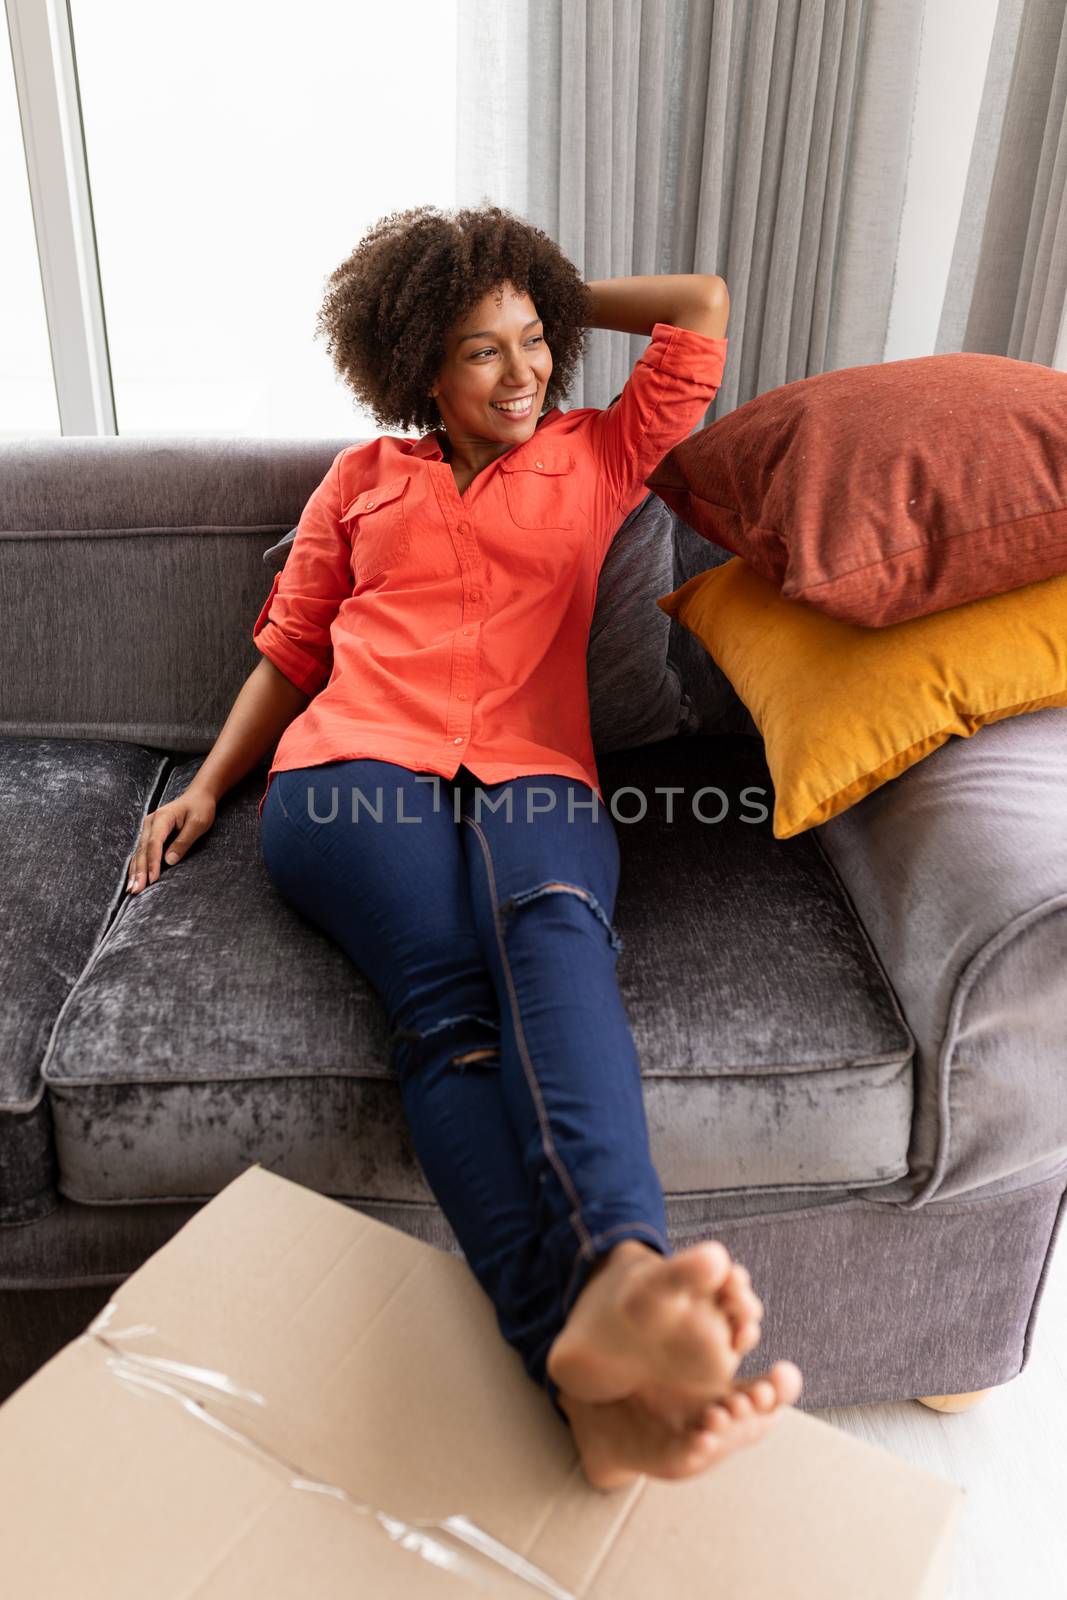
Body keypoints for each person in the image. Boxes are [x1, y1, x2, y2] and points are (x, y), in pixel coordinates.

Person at [125, 203, 802, 1491]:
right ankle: (593, 1330)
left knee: (553, 928)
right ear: (420, 367)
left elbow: (701, 307)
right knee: (450, 1014)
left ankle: (611, 1292)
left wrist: (532, 287)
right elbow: (293, 645)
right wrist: (214, 785)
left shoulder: (597, 457)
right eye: (480, 350)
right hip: (351, 778)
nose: (521, 371)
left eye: (532, 341)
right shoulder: (363, 480)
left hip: (534, 769)